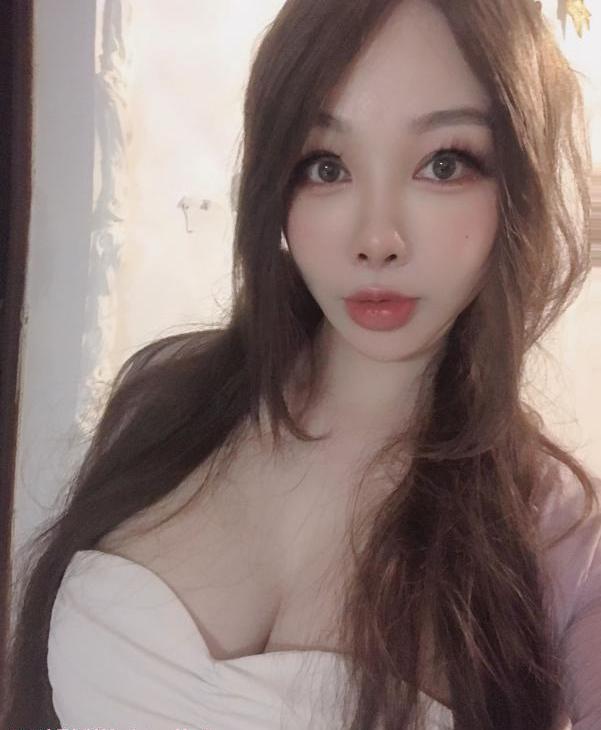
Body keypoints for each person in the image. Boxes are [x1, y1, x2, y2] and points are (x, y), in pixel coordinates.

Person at [3, 0, 600, 728]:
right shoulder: (165, 400)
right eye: (326, 166)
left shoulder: (561, 539)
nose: (376, 238)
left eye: (444, 164)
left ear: (520, 185)